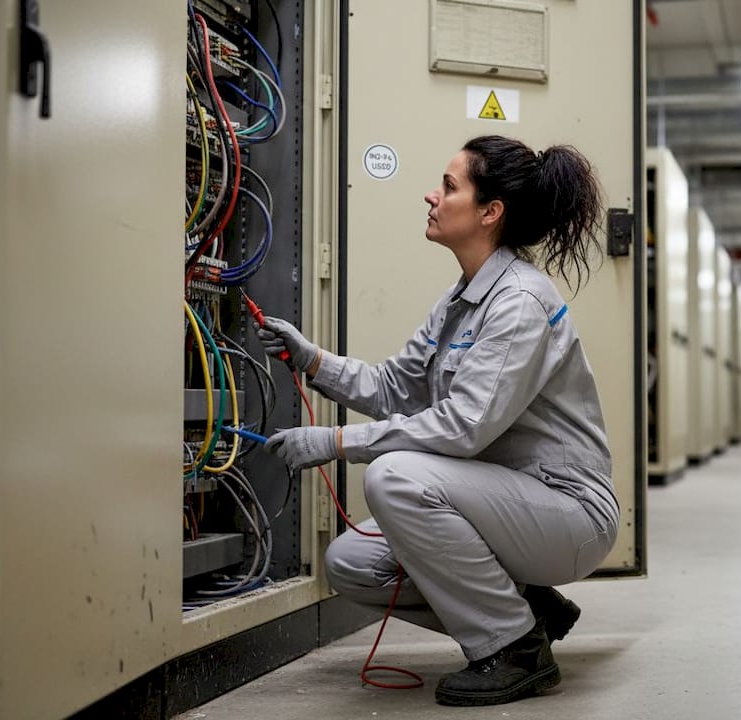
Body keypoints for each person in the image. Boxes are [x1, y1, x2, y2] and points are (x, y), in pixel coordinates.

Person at [257, 135, 619, 707]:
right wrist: (313, 361)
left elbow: (462, 427)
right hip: (509, 507)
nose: (432, 195)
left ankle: (515, 648)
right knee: (351, 565)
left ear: (489, 211)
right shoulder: (461, 299)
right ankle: (526, 608)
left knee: (395, 476)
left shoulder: (519, 301)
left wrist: (335, 441)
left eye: (449, 186)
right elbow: (394, 387)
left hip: (567, 512)